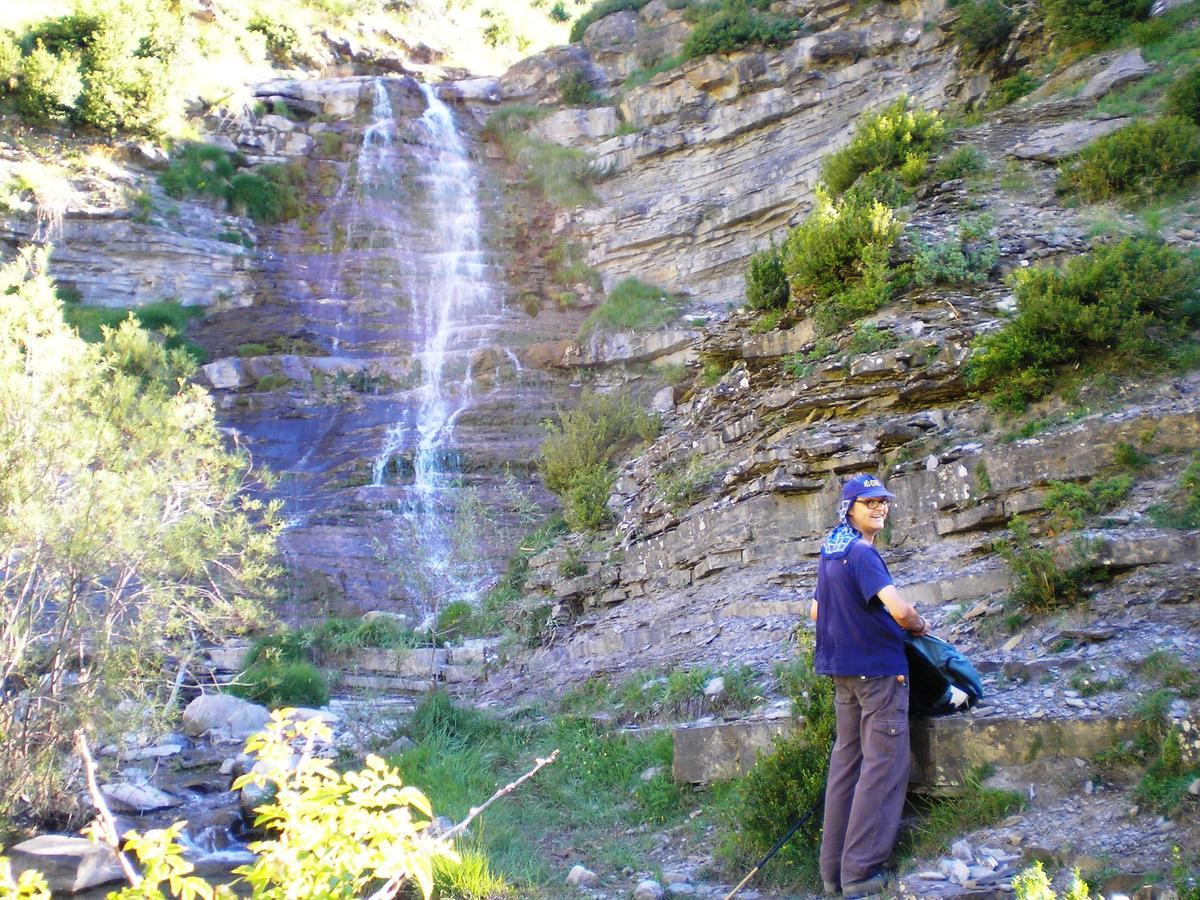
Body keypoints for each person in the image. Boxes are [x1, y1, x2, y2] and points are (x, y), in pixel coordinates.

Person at [808, 473, 929, 898]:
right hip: (878, 674)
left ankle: (832, 874)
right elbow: (899, 610)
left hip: (843, 674)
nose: (880, 508)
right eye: (869, 502)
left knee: (847, 767)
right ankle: (860, 874)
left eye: (884, 501)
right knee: (883, 766)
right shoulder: (861, 553)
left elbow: (814, 611)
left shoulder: (831, 549)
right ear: (850, 508)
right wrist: (919, 625)